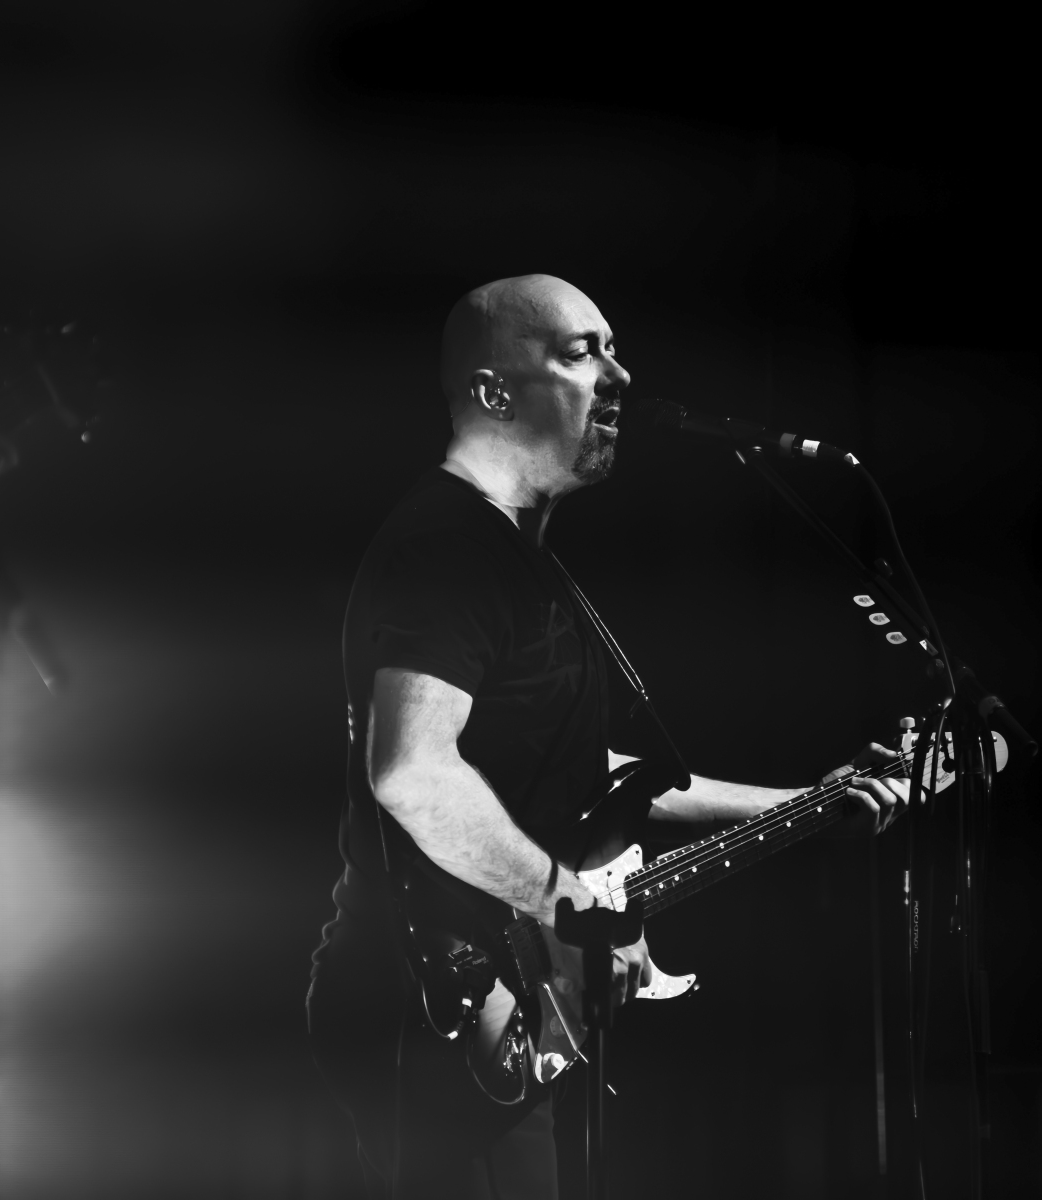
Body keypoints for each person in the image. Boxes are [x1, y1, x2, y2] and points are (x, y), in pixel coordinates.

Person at [306, 275, 908, 1199]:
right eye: (581, 353)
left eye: (616, 349)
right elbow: (412, 773)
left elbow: (588, 773)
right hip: (434, 1001)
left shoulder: (521, 559)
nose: (620, 376)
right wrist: (572, 908)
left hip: (491, 991)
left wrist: (806, 801)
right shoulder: (446, 550)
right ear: (494, 390)